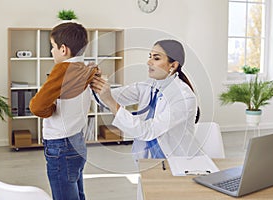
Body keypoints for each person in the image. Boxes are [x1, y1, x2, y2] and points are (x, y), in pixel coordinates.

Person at [91, 39, 200, 161]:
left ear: (173, 65)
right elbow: (113, 96)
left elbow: (149, 131)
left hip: (177, 161)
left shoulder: (184, 97)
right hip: (147, 159)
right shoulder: (149, 85)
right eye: (150, 56)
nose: (149, 62)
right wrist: (96, 82)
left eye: (156, 58)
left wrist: (111, 102)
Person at [29, 22, 98, 200]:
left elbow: (36, 106)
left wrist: (50, 109)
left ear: (63, 49)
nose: (51, 51)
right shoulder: (85, 68)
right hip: (77, 141)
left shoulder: (62, 70)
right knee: (76, 192)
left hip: (61, 145)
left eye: (52, 47)